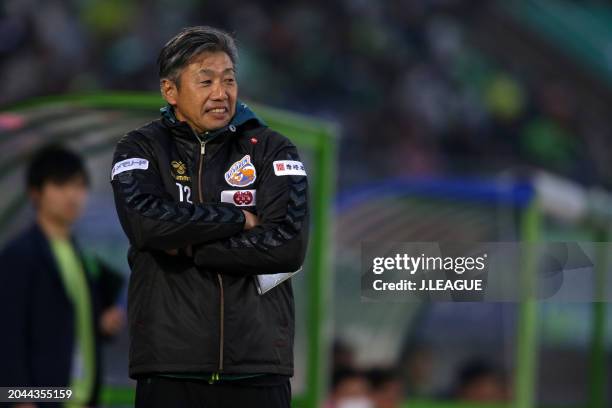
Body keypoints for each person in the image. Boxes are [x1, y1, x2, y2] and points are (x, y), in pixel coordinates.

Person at [110, 26, 309, 407]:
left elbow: (288, 244)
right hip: (170, 367)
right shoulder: (140, 147)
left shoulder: (272, 149)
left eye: (229, 80)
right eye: (206, 81)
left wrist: (191, 249)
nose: (222, 93)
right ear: (170, 91)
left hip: (258, 368)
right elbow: (145, 224)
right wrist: (236, 218)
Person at [0, 145, 125, 408]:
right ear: (36, 192)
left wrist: (100, 324)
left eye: (79, 185)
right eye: (60, 184)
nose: (72, 195)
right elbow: (8, 336)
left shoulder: (81, 256)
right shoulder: (20, 256)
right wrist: (20, 400)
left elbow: (65, 322)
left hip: (82, 398)